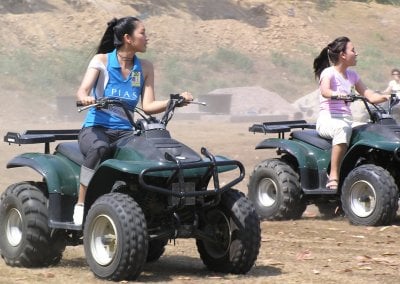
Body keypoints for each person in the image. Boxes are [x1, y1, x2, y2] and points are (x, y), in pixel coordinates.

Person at [73, 16, 193, 225]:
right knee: (100, 148)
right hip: (96, 128)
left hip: (126, 133)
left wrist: (174, 101)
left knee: (151, 152)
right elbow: (82, 91)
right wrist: (86, 97)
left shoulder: (144, 67)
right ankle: (81, 202)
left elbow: (148, 106)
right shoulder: (101, 61)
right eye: (143, 33)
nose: (147, 38)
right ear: (128, 38)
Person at [313, 36, 390, 190]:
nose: (356, 54)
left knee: (372, 130)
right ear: (343, 55)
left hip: (347, 119)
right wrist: (338, 95)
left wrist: (387, 96)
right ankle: (333, 175)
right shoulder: (328, 73)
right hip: (329, 119)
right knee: (343, 129)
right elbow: (325, 91)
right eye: (353, 50)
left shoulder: (353, 75)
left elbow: (370, 96)